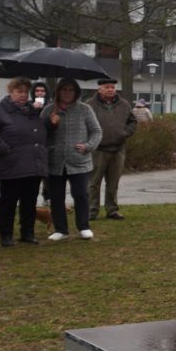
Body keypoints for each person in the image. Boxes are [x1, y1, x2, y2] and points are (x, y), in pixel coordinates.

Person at [0, 77, 49, 246]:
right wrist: (4, 149)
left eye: (26, 92)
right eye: (19, 92)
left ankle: (27, 233)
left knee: (29, 201)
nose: (23, 95)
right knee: (8, 202)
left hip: (33, 163)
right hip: (11, 163)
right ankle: (6, 235)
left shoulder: (33, 111)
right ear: (10, 92)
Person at [42, 78, 102, 242]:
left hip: (79, 160)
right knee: (56, 196)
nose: (67, 93)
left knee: (81, 194)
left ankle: (84, 226)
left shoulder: (84, 109)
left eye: (71, 90)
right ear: (58, 91)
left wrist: (88, 146)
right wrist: (50, 124)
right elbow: (39, 133)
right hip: (54, 161)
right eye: (64, 89)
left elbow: (96, 131)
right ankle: (61, 229)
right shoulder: (48, 110)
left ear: (76, 92)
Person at [86, 77, 136, 221]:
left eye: (113, 87)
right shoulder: (89, 105)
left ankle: (112, 210)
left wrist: (126, 133)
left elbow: (132, 121)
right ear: (99, 89)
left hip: (118, 149)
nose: (110, 90)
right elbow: (83, 124)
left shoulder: (124, 104)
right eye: (107, 87)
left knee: (113, 183)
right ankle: (91, 210)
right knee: (93, 183)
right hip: (98, 150)